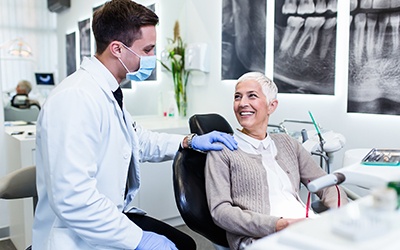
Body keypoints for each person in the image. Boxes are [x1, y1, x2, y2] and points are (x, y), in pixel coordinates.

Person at [32, 1, 237, 249]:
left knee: (184, 244)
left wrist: (188, 141)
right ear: (117, 48)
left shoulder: (107, 91)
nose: (152, 57)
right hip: (76, 234)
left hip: (107, 216)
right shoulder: (75, 98)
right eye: (148, 49)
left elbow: (136, 139)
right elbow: (73, 199)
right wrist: (138, 239)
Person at [205, 72, 348, 250]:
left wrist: (341, 212)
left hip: (305, 226)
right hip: (260, 238)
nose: (242, 103)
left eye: (252, 96)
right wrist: (279, 224)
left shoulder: (287, 143)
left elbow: (326, 184)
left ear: (271, 106)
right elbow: (220, 212)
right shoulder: (222, 150)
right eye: (237, 97)